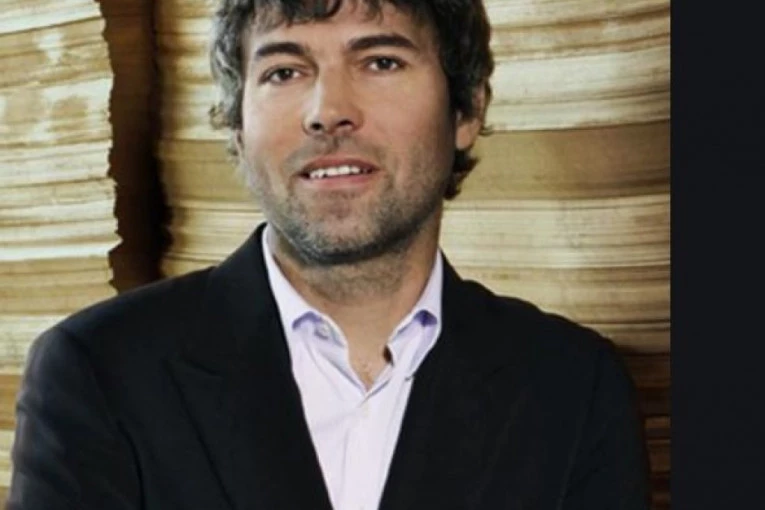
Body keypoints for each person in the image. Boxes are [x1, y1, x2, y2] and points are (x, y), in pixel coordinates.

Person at [7, 0, 651, 508]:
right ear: (237, 127)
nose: (328, 112)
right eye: (284, 72)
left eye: (381, 62)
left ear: (466, 109)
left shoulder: (571, 387)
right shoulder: (97, 371)